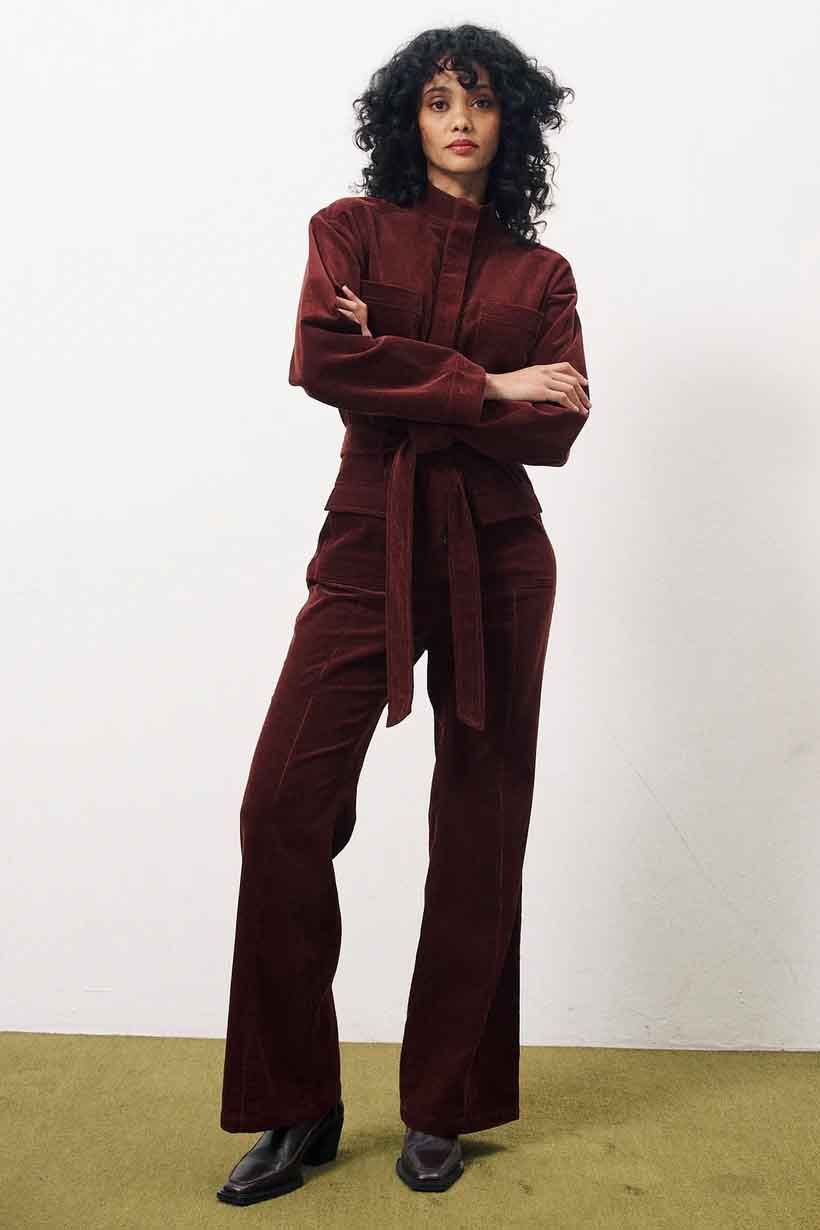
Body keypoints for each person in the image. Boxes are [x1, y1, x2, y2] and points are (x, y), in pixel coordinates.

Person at [216, 23, 590, 1205]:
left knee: (480, 825)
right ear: (406, 118)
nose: (459, 120)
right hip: (366, 539)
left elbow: (559, 426)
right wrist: (484, 382)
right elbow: (321, 359)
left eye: (479, 100)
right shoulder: (349, 229)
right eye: (436, 101)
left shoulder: (542, 274)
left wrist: (398, 360)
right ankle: (296, 1104)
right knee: (282, 808)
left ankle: (447, 1105)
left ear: (509, 121)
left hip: (499, 554)